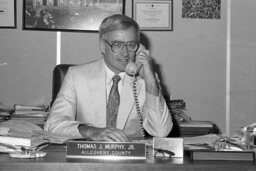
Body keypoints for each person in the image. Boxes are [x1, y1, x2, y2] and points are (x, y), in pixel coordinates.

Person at [44, 14, 173, 142]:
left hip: (130, 159)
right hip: (87, 158)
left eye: (131, 45)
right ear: (102, 46)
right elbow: (52, 126)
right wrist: (91, 131)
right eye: (117, 44)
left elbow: (161, 132)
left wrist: (150, 78)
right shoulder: (76, 76)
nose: (125, 53)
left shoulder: (146, 80)